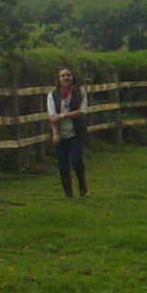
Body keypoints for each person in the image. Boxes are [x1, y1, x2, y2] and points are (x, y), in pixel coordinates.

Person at [47, 67, 89, 199]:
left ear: (73, 77)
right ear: (59, 79)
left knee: (77, 159)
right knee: (63, 165)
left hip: (77, 133)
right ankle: (68, 192)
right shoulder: (52, 95)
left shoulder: (80, 93)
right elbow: (52, 117)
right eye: (63, 76)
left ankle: (81, 180)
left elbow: (82, 112)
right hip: (60, 134)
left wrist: (63, 115)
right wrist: (55, 134)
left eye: (68, 75)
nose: (66, 77)